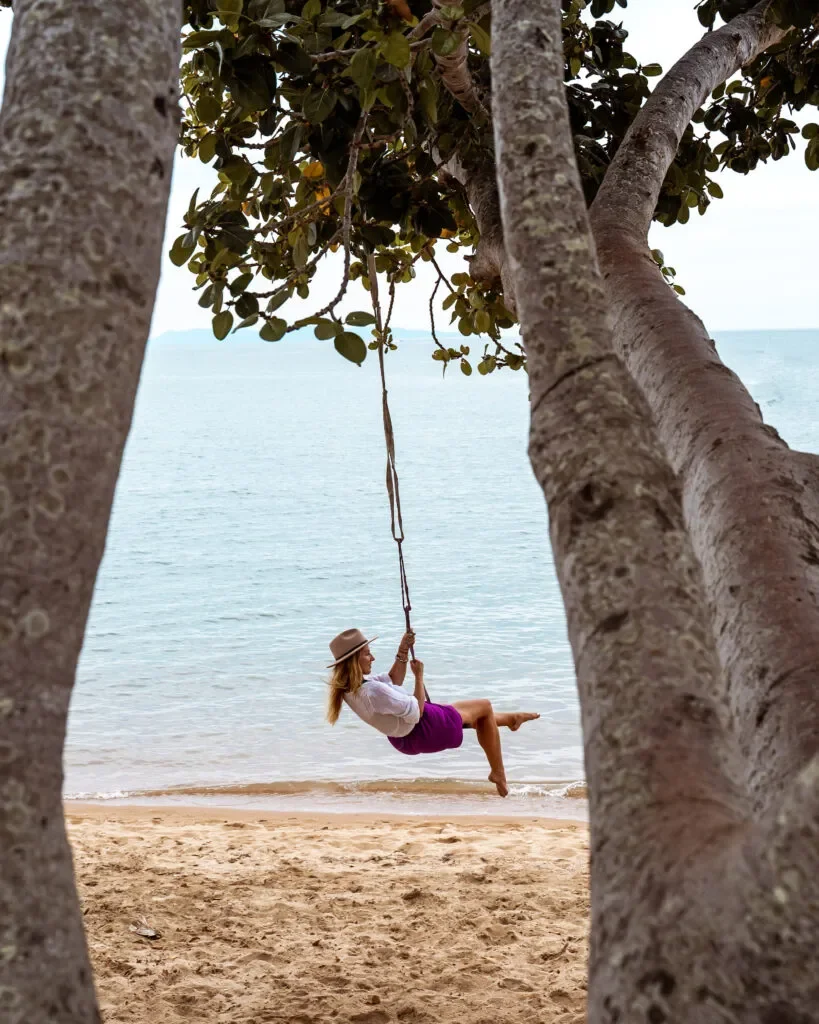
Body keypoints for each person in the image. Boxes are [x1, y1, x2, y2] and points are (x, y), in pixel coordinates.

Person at [325, 627, 539, 797]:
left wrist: (403, 650)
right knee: (484, 707)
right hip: (423, 728)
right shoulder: (373, 692)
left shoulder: (348, 688)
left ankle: (511, 719)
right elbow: (416, 712)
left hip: (403, 739)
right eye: (367, 654)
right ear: (354, 661)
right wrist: (419, 677)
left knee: (469, 715)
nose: (372, 658)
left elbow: (393, 680)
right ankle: (498, 773)